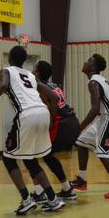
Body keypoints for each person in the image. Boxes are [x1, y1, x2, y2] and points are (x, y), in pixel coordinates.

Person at [0, 46, 65, 215]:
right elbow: (54, 96)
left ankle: (26, 199)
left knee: (8, 158)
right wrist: (51, 118)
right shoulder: (31, 75)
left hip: (27, 114)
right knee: (30, 159)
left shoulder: (5, 71)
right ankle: (53, 199)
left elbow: (3, 85)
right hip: (42, 112)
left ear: (10, 59)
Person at [70, 54, 109, 199]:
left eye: (88, 61)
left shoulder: (94, 82)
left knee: (103, 153)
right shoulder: (103, 80)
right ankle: (82, 180)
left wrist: (80, 126)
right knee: (81, 142)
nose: (85, 62)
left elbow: (95, 108)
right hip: (104, 117)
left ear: (93, 67)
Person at [29, 61, 79, 203]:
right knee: (47, 156)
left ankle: (40, 192)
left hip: (61, 124)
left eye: (33, 68)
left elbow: (50, 104)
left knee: (31, 155)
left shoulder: (39, 88)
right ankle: (66, 189)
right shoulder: (55, 85)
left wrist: (50, 121)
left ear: (37, 73)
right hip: (72, 122)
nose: (31, 71)